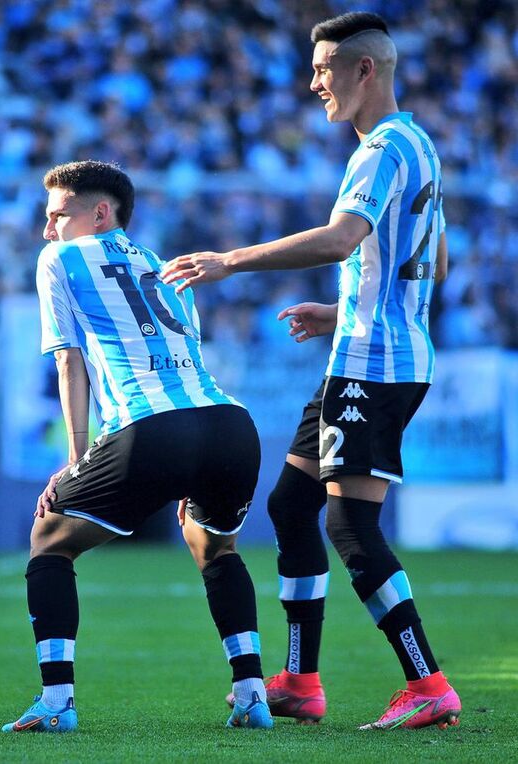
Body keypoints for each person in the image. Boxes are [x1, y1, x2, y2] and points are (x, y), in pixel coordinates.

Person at [162, 12, 461, 731]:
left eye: (324, 69)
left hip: (374, 366)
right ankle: (299, 679)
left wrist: (229, 260)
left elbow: (339, 238)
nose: (312, 82)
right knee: (291, 507)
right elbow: (436, 263)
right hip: (363, 353)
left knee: (349, 522)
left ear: (366, 70)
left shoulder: (382, 151)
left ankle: (428, 682)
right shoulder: (420, 146)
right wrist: (344, 312)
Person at [1, 160, 273, 733]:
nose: (48, 230)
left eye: (58, 216)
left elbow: (70, 363)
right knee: (215, 549)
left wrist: (74, 462)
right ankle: (251, 694)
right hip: (229, 424)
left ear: (100, 213)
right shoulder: (164, 265)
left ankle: (55, 704)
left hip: (154, 427)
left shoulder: (60, 259)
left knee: (49, 538)